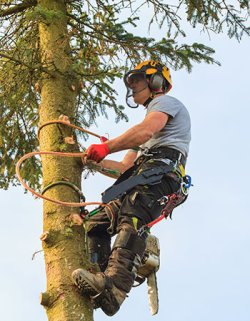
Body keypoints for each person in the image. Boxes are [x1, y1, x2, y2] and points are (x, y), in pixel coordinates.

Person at [72, 60, 191, 316]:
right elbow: (124, 168)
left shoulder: (164, 105)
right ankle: (98, 276)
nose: (133, 86)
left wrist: (106, 146)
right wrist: (94, 162)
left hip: (161, 174)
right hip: (142, 174)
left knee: (133, 212)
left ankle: (115, 287)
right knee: (96, 223)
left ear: (156, 82)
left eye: (137, 81)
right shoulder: (145, 137)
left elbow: (145, 130)